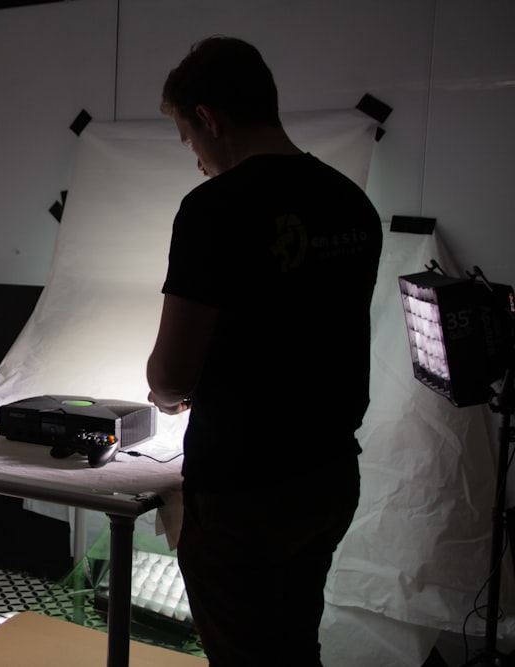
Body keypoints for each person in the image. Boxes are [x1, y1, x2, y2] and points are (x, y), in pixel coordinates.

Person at [145, 36, 383, 666]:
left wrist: (166, 394)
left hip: (243, 491)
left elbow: (170, 374)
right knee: (293, 643)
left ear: (209, 119)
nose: (191, 154)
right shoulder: (351, 203)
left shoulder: (213, 210)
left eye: (186, 136)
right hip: (327, 474)